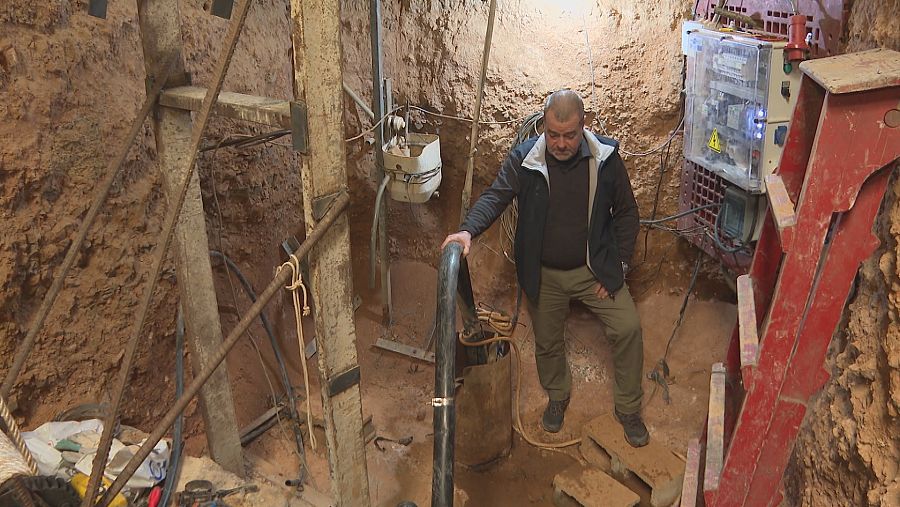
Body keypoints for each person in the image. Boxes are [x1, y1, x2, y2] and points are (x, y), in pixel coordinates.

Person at [441, 90, 648, 447]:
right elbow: (496, 196)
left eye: (569, 135)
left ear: (584, 126)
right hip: (545, 273)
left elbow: (627, 213)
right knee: (548, 341)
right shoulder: (525, 159)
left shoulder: (605, 159)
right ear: (543, 126)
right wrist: (467, 230)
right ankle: (557, 395)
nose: (561, 143)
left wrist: (619, 265)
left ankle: (628, 408)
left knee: (628, 328)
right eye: (553, 135)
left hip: (593, 270)